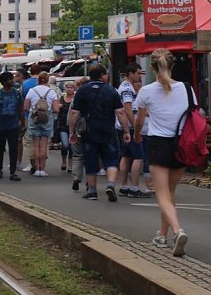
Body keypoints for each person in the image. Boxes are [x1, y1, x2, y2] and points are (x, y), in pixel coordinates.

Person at [134, 48, 193, 256]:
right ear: (173, 65)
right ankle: (162, 234)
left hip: (159, 143)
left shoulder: (146, 91)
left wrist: (136, 134)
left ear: (151, 66)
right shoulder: (187, 88)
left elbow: (139, 120)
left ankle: (177, 231)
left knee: (161, 195)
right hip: (181, 145)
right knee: (170, 193)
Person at [70, 64, 130, 202]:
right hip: (108, 129)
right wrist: (126, 130)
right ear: (102, 75)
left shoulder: (82, 90)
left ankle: (92, 191)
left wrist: (71, 131)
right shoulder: (111, 90)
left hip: (89, 130)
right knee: (111, 158)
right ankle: (110, 184)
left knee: (90, 159)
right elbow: (120, 112)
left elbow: (75, 112)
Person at [116, 63, 150, 198]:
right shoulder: (127, 88)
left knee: (126, 156)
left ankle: (124, 186)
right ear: (130, 74)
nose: (139, 76)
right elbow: (128, 109)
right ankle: (134, 187)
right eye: (138, 73)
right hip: (130, 127)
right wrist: (136, 127)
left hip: (124, 126)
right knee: (139, 156)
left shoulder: (124, 87)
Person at [23, 72, 60, 177]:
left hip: (34, 118)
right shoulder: (52, 92)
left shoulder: (32, 91)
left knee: (35, 145)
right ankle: (42, 170)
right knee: (44, 146)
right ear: (47, 80)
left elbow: (25, 107)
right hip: (47, 119)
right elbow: (56, 109)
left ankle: (36, 169)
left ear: (38, 80)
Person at [0, 71, 23, 181]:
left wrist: (23, 124)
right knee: (0, 148)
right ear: (4, 82)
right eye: (9, 79)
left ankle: (13, 172)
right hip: (0, 126)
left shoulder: (17, 93)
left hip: (13, 125)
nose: (12, 81)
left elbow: (20, 109)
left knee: (13, 149)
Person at [56, 82, 76, 172]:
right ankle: (64, 160)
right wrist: (58, 107)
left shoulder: (76, 99)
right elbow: (55, 109)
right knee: (65, 145)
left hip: (73, 125)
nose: (69, 89)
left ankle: (70, 163)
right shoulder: (61, 98)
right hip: (63, 125)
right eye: (67, 87)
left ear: (74, 89)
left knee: (72, 146)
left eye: (71, 87)